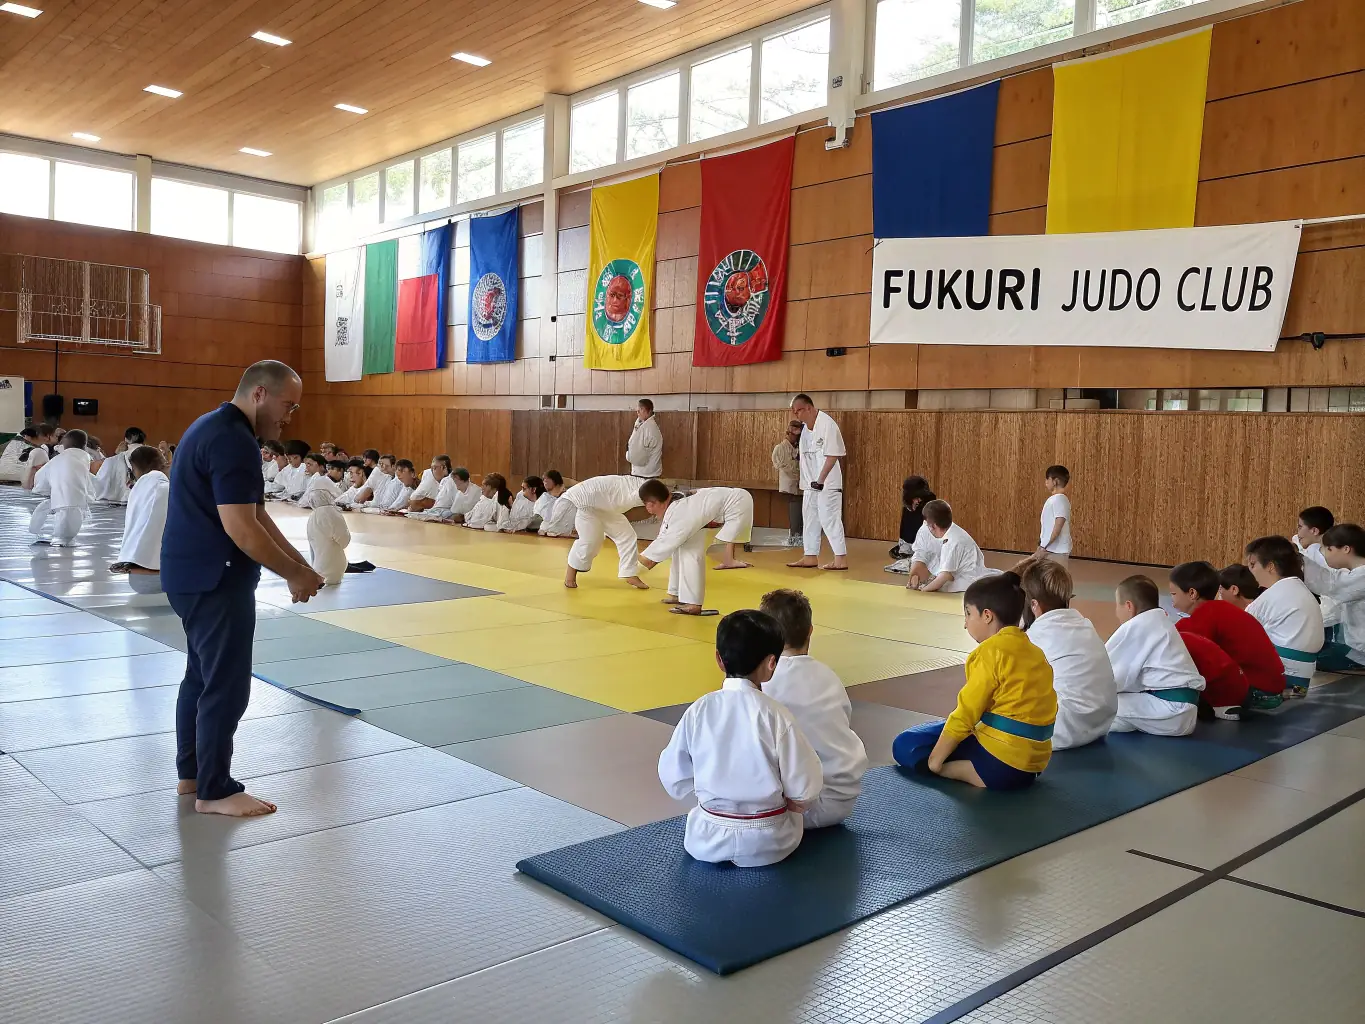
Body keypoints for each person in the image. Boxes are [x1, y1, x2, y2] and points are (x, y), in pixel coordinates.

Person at [161, 360, 323, 817]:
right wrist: (292, 575)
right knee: (226, 685)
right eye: (287, 405)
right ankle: (216, 789)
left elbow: (257, 515)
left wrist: (299, 564)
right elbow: (241, 530)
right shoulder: (233, 440)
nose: (289, 417)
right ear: (259, 394)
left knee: (201, 675)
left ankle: (192, 775)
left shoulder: (214, 426)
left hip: (190, 575)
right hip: (215, 579)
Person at [657, 609, 823, 867]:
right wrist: (798, 802)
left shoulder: (699, 710)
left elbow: (673, 776)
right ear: (771, 664)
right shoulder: (777, 715)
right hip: (770, 842)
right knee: (797, 813)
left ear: (719, 660)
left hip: (706, 838)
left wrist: (710, 791)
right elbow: (805, 787)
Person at [892, 572, 1055, 790]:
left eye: (968, 614)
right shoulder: (1036, 652)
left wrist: (935, 760)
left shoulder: (988, 653)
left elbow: (966, 713)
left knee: (906, 744)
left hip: (999, 763)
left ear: (987, 615)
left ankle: (957, 770)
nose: (965, 624)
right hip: (1035, 762)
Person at [760, 589, 868, 826]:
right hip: (843, 799)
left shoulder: (766, 683)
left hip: (798, 807)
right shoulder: (828, 676)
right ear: (810, 631)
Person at [1016, 556, 1116, 750]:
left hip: (1061, 731)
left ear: (1034, 605)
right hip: (1100, 724)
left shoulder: (1034, 636)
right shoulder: (1085, 625)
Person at [1168, 560, 1285, 710]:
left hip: (1256, 692)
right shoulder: (1221, 610)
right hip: (1271, 690)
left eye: (1173, 594)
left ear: (1192, 593)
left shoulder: (1205, 616)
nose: (1172, 601)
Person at [1105, 575, 1204, 736]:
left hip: (1168, 710)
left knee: (1098, 707)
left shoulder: (1137, 627)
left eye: (1118, 605)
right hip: (1183, 712)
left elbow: (1110, 679)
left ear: (1129, 606)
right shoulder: (1161, 622)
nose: (1117, 612)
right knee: (1116, 713)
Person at [637, 480, 753, 615]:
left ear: (652, 504)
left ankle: (693, 604)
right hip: (731, 504)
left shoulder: (681, 511)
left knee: (690, 550)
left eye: (646, 504)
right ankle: (677, 593)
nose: (647, 510)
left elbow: (663, 545)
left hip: (736, 506)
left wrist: (632, 569)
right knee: (683, 546)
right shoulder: (675, 502)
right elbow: (665, 536)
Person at [1245, 535, 1323, 698]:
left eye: (1253, 565)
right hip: (1301, 685)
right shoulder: (1299, 587)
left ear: (1271, 567)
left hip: (1281, 680)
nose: (1250, 571)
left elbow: (1235, 633)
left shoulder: (1273, 595)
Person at [786, 394, 848, 571]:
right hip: (810, 484)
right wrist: (807, 482)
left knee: (829, 518)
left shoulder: (827, 424)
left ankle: (840, 558)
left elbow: (833, 455)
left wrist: (820, 480)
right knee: (810, 518)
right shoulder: (805, 430)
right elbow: (806, 459)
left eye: (798, 411)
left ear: (809, 408)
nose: (797, 415)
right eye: (794, 412)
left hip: (827, 483)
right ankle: (810, 555)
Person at [559, 474, 648, 590]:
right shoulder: (637, 490)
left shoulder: (638, 487)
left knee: (627, 535)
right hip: (587, 505)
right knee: (590, 540)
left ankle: (629, 573)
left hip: (607, 507)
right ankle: (569, 576)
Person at [1304, 523, 1365, 674]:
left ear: (1346, 549)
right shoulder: (1353, 574)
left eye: (1329, 549)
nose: (1325, 554)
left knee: (1303, 660)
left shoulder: (1361, 577)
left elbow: (1333, 585)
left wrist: (1295, 562)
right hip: (1356, 648)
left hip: (1360, 654)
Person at [109, 445, 170, 594]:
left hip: (135, 578)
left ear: (135, 470)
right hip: (161, 579)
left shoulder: (137, 490)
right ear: (164, 464)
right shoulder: (166, 489)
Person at [907, 499, 992, 593]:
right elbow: (920, 552)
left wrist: (924, 591)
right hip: (952, 573)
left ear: (934, 526)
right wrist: (915, 574)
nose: (926, 526)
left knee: (944, 587)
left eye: (928, 525)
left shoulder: (953, 541)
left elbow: (945, 576)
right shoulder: (928, 530)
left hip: (967, 578)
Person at [28, 429, 95, 547]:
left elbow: (40, 479)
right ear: (84, 446)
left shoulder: (56, 460)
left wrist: (45, 489)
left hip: (59, 500)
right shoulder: (84, 459)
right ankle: (63, 540)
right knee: (68, 530)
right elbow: (87, 480)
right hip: (78, 502)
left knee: (62, 529)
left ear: (64, 444)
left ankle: (58, 539)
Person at [299, 479, 351, 586]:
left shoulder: (312, 516)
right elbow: (344, 541)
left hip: (317, 565)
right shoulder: (332, 513)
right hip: (333, 567)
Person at [887, 475, 936, 570]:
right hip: (910, 544)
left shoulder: (930, 504)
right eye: (916, 497)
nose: (919, 500)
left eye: (920, 497)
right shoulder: (907, 508)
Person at [93, 426, 148, 504]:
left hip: (112, 506)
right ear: (143, 440)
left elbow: (99, 486)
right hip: (141, 504)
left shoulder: (111, 461)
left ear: (126, 439)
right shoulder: (153, 458)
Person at [771, 419, 803, 548]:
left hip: (801, 485)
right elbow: (782, 466)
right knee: (795, 509)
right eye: (795, 435)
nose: (796, 438)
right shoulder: (780, 448)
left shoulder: (800, 448)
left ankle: (799, 536)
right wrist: (797, 469)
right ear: (788, 433)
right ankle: (795, 537)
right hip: (791, 485)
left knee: (801, 511)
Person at [410, 465, 480, 523]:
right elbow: (454, 511)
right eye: (454, 481)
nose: (456, 484)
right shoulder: (459, 492)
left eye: (457, 481)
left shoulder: (476, 491)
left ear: (465, 480)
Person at [1035, 465, 1072, 564]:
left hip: (1056, 551)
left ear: (1055, 481)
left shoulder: (1060, 499)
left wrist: (1044, 547)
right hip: (1050, 549)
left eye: (1048, 479)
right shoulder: (1055, 499)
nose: (1046, 482)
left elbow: (1058, 526)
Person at [626, 398, 663, 479]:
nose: (638, 412)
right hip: (640, 471)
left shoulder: (651, 429)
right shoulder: (640, 423)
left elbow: (640, 454)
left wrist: (629, 455)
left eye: (641, 409)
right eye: (638, 409)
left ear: (649, 411)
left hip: (647, 474)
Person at [538, 470, 576, 536]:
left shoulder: (565, 498)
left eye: (547, 479)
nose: (545, 481)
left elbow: (554, 520)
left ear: (555, 480)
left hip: (564, 530)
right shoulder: (545, 497)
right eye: (544, 480)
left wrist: (544, 529)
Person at [21, 422, 56, 490]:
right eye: (54, 435)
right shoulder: (39, 452)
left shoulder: (15, 444)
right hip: (24, 492)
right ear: (47, 436)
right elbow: (28, 483)